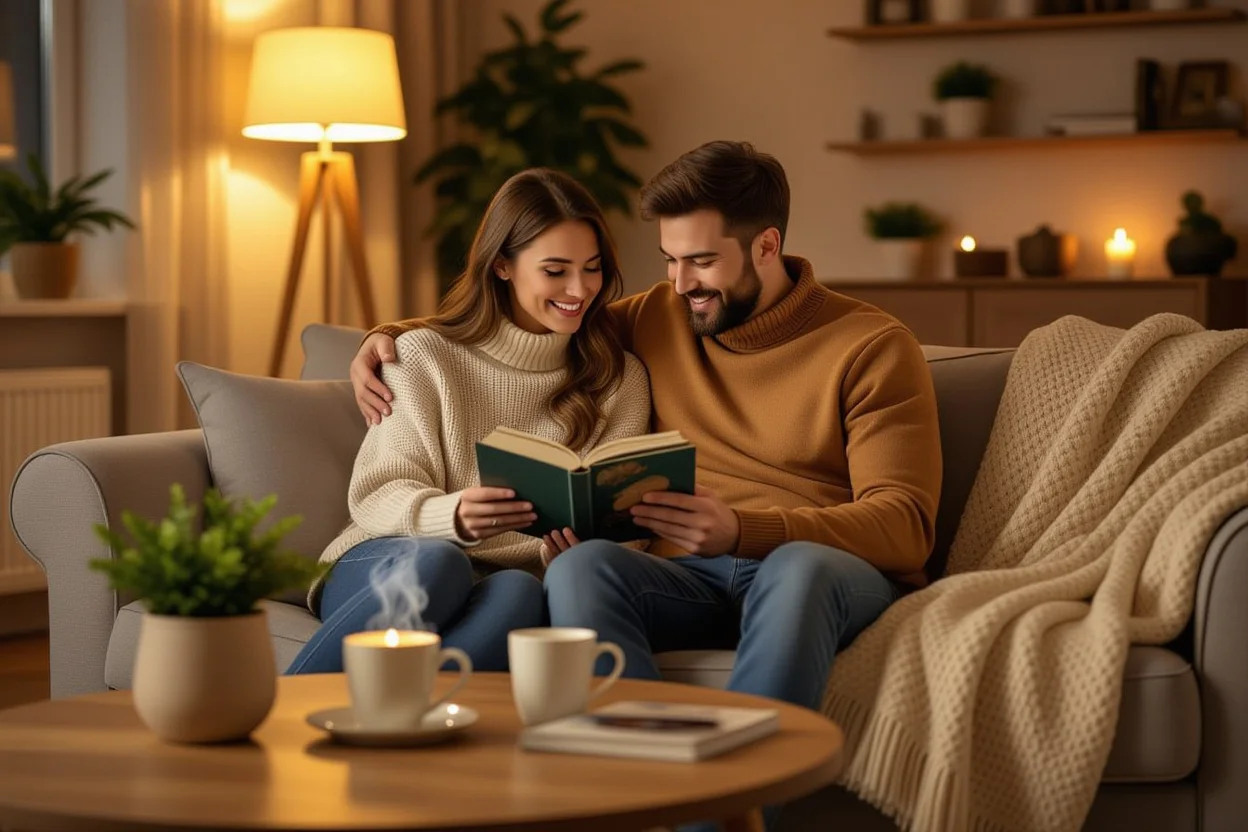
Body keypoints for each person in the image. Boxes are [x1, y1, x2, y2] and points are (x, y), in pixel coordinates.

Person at [349, 142, 941, 714]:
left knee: (798, 568)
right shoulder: (664, 314)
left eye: (702, 261)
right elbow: (527, 316)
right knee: (582, 567)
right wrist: (386, 337)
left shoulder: (872, 346)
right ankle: (641, 755)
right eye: (670, 260)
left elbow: (906, 526)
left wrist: (745, 530)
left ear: (767, 245)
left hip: (819, 570)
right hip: (684, 575)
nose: (681, 283)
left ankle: (751, 777)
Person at [286, 168, 652, 676]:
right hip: (388, 560)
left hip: (504, 582)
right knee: (441, 562)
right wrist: (451, 516)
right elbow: (378, 491)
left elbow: (624, 527)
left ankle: (405, 719)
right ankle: (288, 704)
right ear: (502, 265)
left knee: (521, 593)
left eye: (592, 268)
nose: (579, 288)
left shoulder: (619, 377)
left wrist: (572, 554)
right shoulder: (423, 356)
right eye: (555, 270)